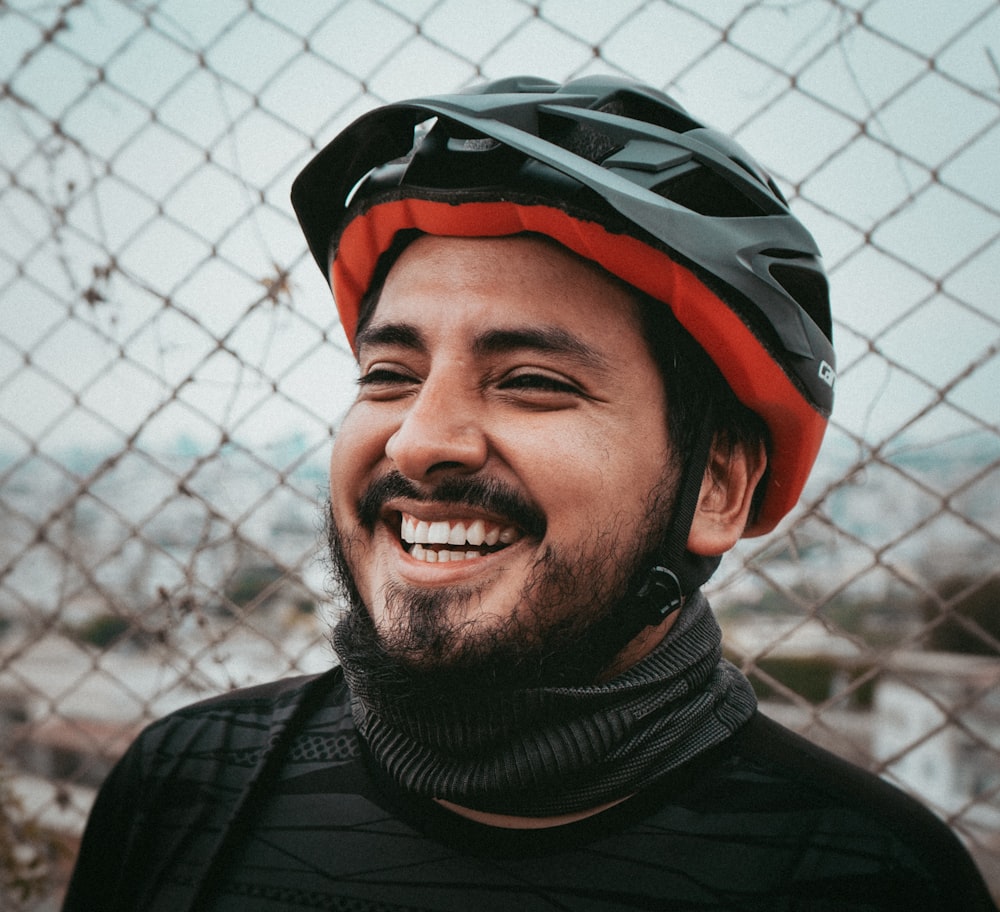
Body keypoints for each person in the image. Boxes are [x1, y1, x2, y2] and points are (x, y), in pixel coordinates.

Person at [63, 76, 996, 911]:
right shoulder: (184, 786)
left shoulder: (866, 877)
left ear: (714, 485)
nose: (421, 439)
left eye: (533, 382)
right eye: (388, 373)